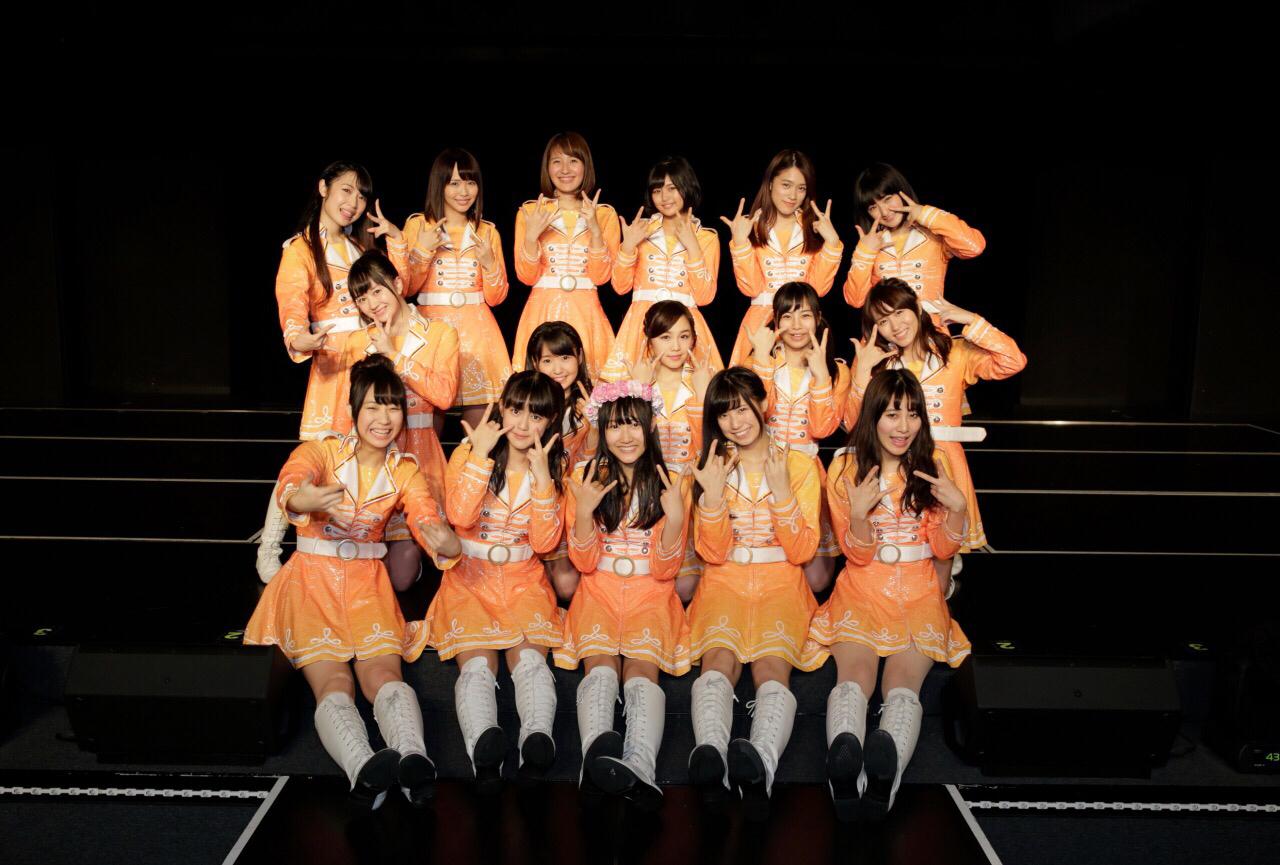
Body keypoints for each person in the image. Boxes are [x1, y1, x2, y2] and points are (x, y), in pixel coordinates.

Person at [244, 355, 462, 810]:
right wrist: (301, 497)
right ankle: (363, 768)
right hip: (311, 585)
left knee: (385, 677)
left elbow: (423, 514)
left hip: (367, 586)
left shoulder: (404, 470)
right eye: (373, 407)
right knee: (334, 684)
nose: (384, 418)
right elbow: (291, 483)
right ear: (353, 410)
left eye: (393, 407)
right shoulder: (321, 452)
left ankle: (414, 760)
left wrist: (441, 537)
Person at [810, 368, 970, 820]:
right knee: (854, 679)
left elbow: (943, 548)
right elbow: (856, 554)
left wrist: (958, 511)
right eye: (893, 414)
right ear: (873, 415)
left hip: (919, 592)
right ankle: (844, 773)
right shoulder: (845, 467)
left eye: (913, 414)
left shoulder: (936, 464)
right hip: (862, 588)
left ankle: (885, 777)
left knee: (902, 684)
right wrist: (859, 517)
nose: (903, 426)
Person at [685, 368, 827, 819]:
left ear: (763, 404)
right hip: (724, 579)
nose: (736, 422)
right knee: (717, 662)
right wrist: (710, 498)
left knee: (771, 667)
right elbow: (711, 551)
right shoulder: (710, 466)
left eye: (743, 409)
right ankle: (711, 759)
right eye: (724, 414)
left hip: (782, 581)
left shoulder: (799, 465)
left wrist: (782, 493)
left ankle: (759, 764)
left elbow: (803, 550)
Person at [424, 373, 567, 788]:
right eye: (516, 410)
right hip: (469, 579)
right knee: (477, 668)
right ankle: (483, 754)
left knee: (531, 664)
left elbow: (545, 542)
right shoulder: (469, 451)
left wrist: (543, 481)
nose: (522, 424)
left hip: (525, 580)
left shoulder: (555, 466)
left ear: (551, 421)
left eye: (536, 416)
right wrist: (481, 456)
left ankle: (536, 742)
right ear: (502, 408)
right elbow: (459, 516)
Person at [554, 382, 691, 810]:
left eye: (633, 425)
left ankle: (639, 767)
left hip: (653, 593)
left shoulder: (673, 481)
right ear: (603, 430)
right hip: (599, 590)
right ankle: (593, 766)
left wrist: (674, 520)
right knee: (599, 668)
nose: (625, 436)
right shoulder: (584, 477)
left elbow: (667, 569)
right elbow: (584, 561)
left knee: (641, 672)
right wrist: (582, 512)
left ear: (650, 427)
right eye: (615, 426)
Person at [849, 279, 1026, 584]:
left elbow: (1012, 362)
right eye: (883, 321)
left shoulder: (953, 352)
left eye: (899, 313)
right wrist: (862, 371)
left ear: (917, 308)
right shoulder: (876, 363)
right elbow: (853, 423)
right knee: (900, 557)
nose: (895, 326)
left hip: (945, 463)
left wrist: (970, 320)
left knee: (944, 559)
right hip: (893, 467)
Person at [258, 161, 377, 581]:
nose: (353, 202)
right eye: (346, 190)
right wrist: (298, 335)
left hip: (372, 358)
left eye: (361, 195)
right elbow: (291, 299)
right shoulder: (301, 249)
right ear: (323, 188)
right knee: (311, 456)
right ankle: (270, 545)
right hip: (333, 360)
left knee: (368, 453)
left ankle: (351, 544)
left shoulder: (361, 249)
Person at [336, 250, 459, 589]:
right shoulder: (357, 342)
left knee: (401, 579)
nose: (372, 304)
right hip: (372, 458)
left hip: (422, 455)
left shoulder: (440, 334)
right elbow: (350, 408)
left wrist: (393, 355)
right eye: (362, 298)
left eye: (377, 291)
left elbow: (444, 395)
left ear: (398, 284)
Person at [383, 148, 512, 431]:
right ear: (439, 185)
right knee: (425, 418)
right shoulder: (418, 225)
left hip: (479, 332)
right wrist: (422, 251)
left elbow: (497, 297)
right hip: (430, 328)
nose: (463, 191)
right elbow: (404, 288)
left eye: (470, 182)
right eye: (454, 183)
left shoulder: (488, 231)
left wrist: (489, 263)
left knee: (479, 431)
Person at [746, 281, 850, 594]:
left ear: (818, 319)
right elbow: (754, 417)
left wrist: (821, 376)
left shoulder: (836, 370)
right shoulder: (756, 362)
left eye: (804, 315)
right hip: (759, 467)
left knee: (817, 580)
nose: (795, 325)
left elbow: (822, 429)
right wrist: (762, 360)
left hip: (806, 470)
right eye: (787, 316)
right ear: (776, 321)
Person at [600, 156, 722, 381]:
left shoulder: (706, 238)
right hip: (641, 326)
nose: (664, 197)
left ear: (687, 187)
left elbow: (704, 297)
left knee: (691, 393)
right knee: (634, 394)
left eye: (672, 188)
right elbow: (620, 287)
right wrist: (628, 246)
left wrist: (693, 247)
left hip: (684, 327)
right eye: (657, 190)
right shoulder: (641, 231)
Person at [512, 132, 619, 378]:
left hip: (587, 312)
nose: (565, 169)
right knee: (539, 387)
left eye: (573, 161)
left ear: (585, 166)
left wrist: (595, 230)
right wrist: (531, 237)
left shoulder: (604, 214)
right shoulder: (531, 211)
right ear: (547, 167)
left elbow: (601, 277)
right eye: (557, 161)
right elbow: (526, 277)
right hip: (542, 309)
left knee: (589, 388)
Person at [722, 149, 843, 365]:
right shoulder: (750, 227)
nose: (793, 196)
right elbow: (751, 288)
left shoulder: (815, 228)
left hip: (802, 325)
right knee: (753, 382)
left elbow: (817, 290)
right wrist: (740, 242)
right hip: (760, 322)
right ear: (770, 183)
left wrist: (832, 244)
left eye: (801, 188)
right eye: (786, 185)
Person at [844, 162, 985, 320]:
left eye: (888, 199)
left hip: (932, 328)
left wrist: (926, 214)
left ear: (902, 192)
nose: (884, 212)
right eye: (873, 207)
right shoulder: (871, 245)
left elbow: (974, 247)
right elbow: (856, 300)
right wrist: (864, 253)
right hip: (887, 332)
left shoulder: (933, 234)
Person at [526, 321, 598, 600]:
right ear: (535, 363)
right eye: (548, 361)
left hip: (572, 498)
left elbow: (590, 464)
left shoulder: (592, 403)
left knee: (567, 586)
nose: (558, 369)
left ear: (579, 356)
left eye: (565, 357)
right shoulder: (525, 400)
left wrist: (595, 428)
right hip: (530, 495)